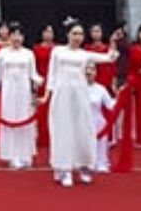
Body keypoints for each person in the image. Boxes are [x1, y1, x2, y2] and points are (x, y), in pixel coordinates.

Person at [47, 20, 118, 187]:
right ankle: (64, 168)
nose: (77, 37)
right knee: (63, 131)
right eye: (74, 33)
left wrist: (113, 42)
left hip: (80, 94)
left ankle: (84, 166)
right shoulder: (57, 51)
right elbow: (52, 75)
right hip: (62, 95)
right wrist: (46, 95)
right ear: (67, 34)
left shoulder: (85, 54)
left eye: (80, 34)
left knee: (82, 130)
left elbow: (109, 58)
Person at [0, 22, 43, 169]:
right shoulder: (2, 53)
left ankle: (25, 154)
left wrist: (41, 81)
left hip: (24, 91)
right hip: (8, 91)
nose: (17, 38)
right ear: (9, 36)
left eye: (19, 35)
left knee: (24, 120)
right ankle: (11, 155)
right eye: (14, 35)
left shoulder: (29, 54)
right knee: (10, 120)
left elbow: (33, 74)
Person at [85, 62, 115, 173]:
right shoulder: (77, 88)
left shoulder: (101, 89)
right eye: (87, 69)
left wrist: (122, 96)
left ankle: (101, 162)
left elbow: (111, 105)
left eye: (92, 69)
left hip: (98, 122)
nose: (89, 72)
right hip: (82, 122)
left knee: (100, 143)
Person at [31, 23, 56, 148]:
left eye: (50, 32)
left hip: (55, 82)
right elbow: (33, 67)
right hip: (41, 81)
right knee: (42, 111)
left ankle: (55, 137)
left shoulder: (58, 49)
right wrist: (34, 83)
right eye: (46, 32)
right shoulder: (36, 49)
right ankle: (43, 138)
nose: (48, 34)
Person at [85, 23, 116, 93]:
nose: (96, 34)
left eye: (98, 31)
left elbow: (112, 65)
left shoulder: (107, 48)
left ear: (102, 32)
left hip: (105, 76)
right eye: (93, 31)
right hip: (92, 76)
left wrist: (113, 81)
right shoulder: (87, 48)